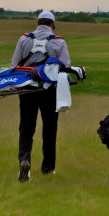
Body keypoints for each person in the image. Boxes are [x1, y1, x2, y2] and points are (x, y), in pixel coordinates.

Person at [11, 11, 71, 182]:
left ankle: (24, 161)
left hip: (27, 89)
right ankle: (48, 168)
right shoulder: (59, 41)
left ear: (38, 23)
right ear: (52, 24)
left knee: (26, 128)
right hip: (50, 91)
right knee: (50, 129)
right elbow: (66, 66)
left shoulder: (24, 39)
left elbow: (14, 65)